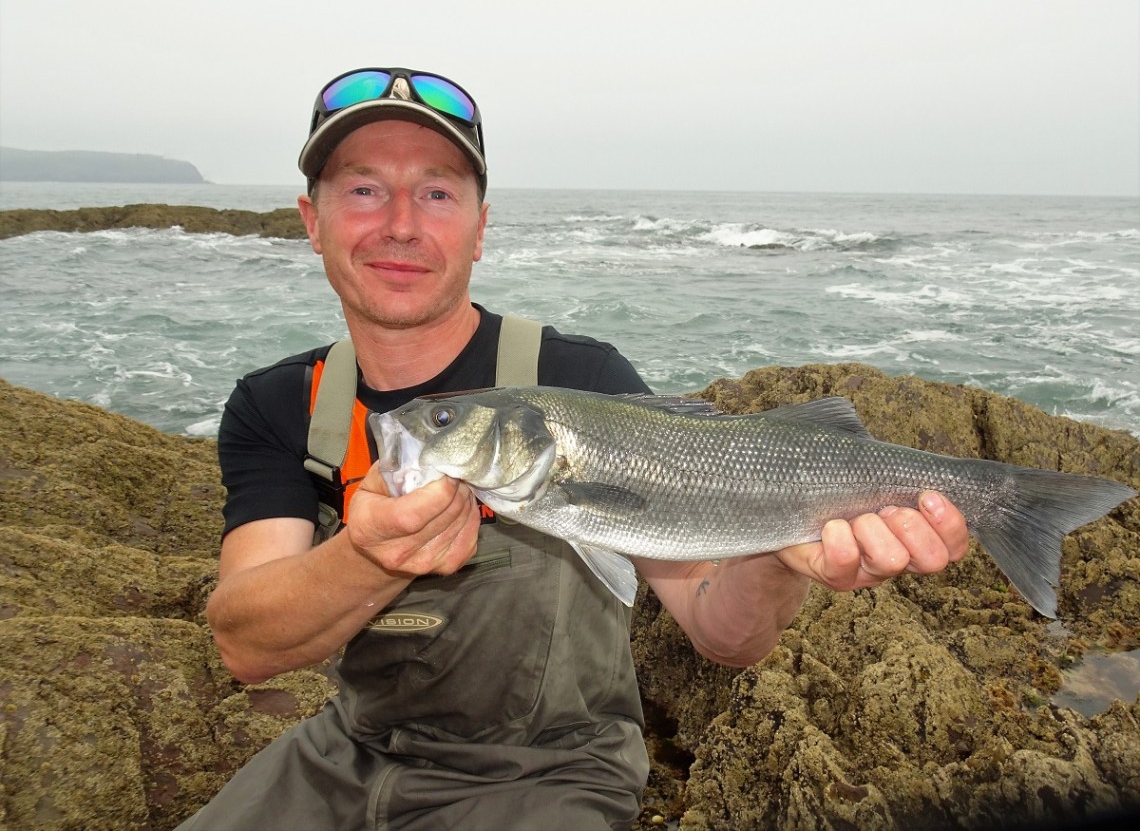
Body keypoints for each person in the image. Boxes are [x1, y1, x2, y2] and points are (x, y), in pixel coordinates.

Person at [179, 66, 969, 830]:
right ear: (311, 220)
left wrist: (775, 547)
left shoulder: (581, 378)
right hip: (345, 752)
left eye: (437, 192)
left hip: (549, 771)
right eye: (362, 189)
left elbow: (723, 635)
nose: (400, 223)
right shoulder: (281, 404)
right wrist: (368, 556)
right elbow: (246, 642)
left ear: (480, 228)